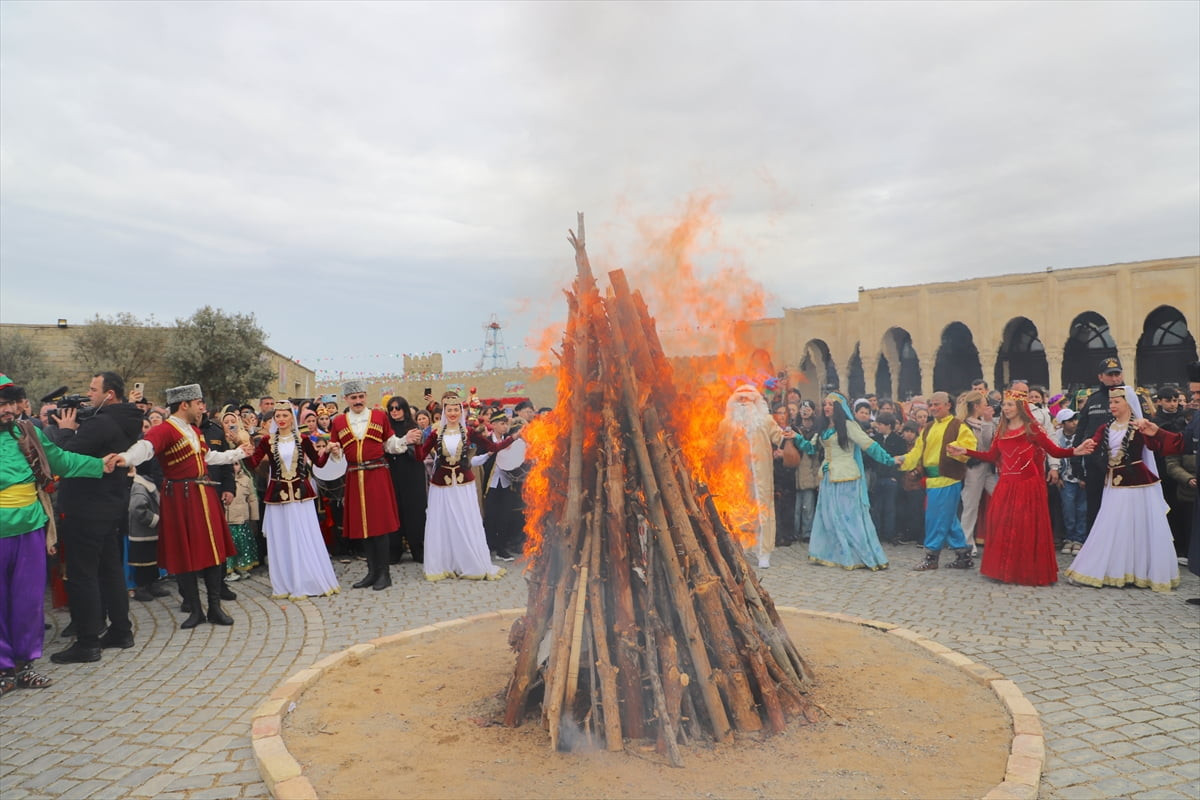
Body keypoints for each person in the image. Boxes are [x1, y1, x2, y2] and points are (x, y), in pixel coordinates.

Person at [0, 377, 113, 693]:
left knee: (28, 600)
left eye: (13, 403)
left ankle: (25, 666)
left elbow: (61, 459)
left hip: (31, 529)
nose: (9, 410)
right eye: (2, 405)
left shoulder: (28, 432)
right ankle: (2, 669)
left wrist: (98, 465)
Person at [111, 384, 253, 629]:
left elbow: (208, 457)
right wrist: (127, 458)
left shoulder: (195, 431)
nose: (202, 407)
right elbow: (147, 447)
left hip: (203, 493)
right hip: (180, 496)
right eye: (198, 403)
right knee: (185, 553)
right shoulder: (166, 429)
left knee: (212, 552)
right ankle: (195, 610)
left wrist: (237, 454)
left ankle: (215, 608)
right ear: (184, 404)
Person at [949, 390, 1094, 586]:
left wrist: (1075, 451)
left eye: (1010, 405)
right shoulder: (1001, 429)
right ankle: (1003, 570)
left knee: (1024, 526)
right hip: (1007, 484)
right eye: (1005, 405)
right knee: (1002, 523)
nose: (1006, 408)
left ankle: (1025, 570)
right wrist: (965, 451)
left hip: (1028, 484)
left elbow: (1054, 450)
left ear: (1019, 407)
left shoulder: (1032, 428)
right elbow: (992, 456)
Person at [50, 371, 144, 664]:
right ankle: (120, 630)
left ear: (110, 394)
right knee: (110, 570)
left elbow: (66, 457)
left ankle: (88, 642)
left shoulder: (102, 422)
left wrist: (66, 429)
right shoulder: (126, 419)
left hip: (86, 508)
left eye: (93, 390)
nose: (88, 395)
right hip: (110, 505)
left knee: (82, 575)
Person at [1064, 385, 1183, 592]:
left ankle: (1139, 571)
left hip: (1138, 484)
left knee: (1137, 527)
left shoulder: (1139, 426)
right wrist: (1081, 448)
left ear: (1128, 403)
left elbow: (1159, 447)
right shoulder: (1106, 427)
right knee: (1112, 524)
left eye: (1116, 401)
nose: (1112, 405)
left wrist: (1154, 432)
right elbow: (1094, 443)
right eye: (1110, 402)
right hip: (1114, 484)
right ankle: (1112, 569)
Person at [413, 392, 519, 581]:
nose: (453, 413)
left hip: (463, 484)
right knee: (443, 522)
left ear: (460, 411)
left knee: (465, 520)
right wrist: (415, 442)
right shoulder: (437, 432)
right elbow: (420, 456)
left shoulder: (468, 432)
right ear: (445, 411)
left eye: (456, 409)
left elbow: (492, 448)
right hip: (441, 485)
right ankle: (445, 563)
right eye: (449, 410)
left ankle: (470, 561)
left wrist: (513, 438)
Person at [244, 407, 340, 598]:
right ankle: (287, 581)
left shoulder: (302, 439)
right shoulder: (266, 440)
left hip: (301, 496)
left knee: (304, 535)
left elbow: (318, 463)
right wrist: (245, 452)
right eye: (277, 416)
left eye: (285, 415)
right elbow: (253, 465)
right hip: (278, 497)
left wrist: (328, 450)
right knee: (283, 538)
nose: (281, 419)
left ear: (292, 418)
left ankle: (307, 579)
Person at [793, 392, 893, 570]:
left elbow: (868, 444)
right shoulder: (823, 428)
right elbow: (810, 448)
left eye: (831, 404)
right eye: (825, 404)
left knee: (849, 517)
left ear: (838, 408)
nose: (827, 407)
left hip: (847, 477)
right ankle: (837, 553)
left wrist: (889, 460)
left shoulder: (848, 425)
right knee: (829, 517)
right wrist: (795, 437)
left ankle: (858, 555)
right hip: (828, 478)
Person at [328, 380, 409, 590]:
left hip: (377, 474)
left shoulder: (380, 416)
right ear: (346, 399)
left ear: (365, 396)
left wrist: (404, 440)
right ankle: (372, 573)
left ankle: (385, 573)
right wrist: (335, 453)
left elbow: (389, 444)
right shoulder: (338, 422)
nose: (358, 401)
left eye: (361, 396)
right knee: (363, 526)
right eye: (353, 398)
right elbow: (336, 452)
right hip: (355, 475)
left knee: (379, 525)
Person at [897, 391, 978, 571]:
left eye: (936, 404)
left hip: (948, 478)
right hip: (932, 480)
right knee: (947, 518)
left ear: (948, 405)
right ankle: (963, 554)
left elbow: (969, 447)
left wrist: (957, 450)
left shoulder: (959, 426)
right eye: (931, 405)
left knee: (935, 518)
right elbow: (916, 452)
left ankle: (931, 556)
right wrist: (902, 461)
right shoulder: (927, 428)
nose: (933, 408)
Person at [716, 384, 785, 568]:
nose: (744, 403)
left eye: (748, 399)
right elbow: (717, 448)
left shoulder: (765, 421)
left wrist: (790, 440)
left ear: (755, 401)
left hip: (760, 475)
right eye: (740, 400)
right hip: (736, 477)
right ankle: (741, 549)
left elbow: (780, 439)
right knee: (738, 511)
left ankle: (764, 552)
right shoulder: (726, 424)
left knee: (763, 512)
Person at [1072, 357, 1130, 534]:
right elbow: (1080, 433)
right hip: (1095, 467)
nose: (1114, 379)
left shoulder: (1132, 398)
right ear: (1100, 377)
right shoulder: (1093, 400)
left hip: (1124, 465)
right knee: (1095, 510)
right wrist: (1077, 465)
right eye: (1110, 375)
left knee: (1122, 512)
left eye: (1117, 374)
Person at [478, 409, 528, 561]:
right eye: (501, 424)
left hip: (506, 484)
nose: (505, 427)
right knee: (490, 516)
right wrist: (491, 456)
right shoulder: (485, 441)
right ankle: (487, 547)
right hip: (491, 484)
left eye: (506, 424)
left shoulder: (510, 440)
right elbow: (478, 461)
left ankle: (501, 549)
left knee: (504, 516)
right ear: (492, 425)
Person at [385, 396, 427, 564]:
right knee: (395, 511)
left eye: (398, 408)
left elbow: (416, 451)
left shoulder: (413, 426)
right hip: (393, 474)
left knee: (414, 512)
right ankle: (395, 549)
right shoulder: (386, 428)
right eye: (391, 408)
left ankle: (417, 548)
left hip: (411, 473)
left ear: (404, 409)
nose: (394, 411)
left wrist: (403, 446)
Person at [957, 390, 996, 557]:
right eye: (984, 404)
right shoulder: (964, 424)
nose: (987, 407)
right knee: (970, 505)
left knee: (1001, 495)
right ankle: (966, 543)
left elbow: (990, 444)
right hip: (973, 468)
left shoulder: (986, 422)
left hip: (989, 466)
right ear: (976, 406)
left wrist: (988, 422)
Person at [1055, 409, 1088, 553]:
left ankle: (1079, 538)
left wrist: (1084, 476)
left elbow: (1086, 456)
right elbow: (1054, 455)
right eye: (1070, 421)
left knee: (1082, 509)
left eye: (1075, 419)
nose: (1074, 423)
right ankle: (1069, 537)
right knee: (1068, 509)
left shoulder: (1082, 434)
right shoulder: (1056, 436)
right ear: (1062, 424)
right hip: (1066, 479)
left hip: (1081, 478)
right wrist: (1057, 475)